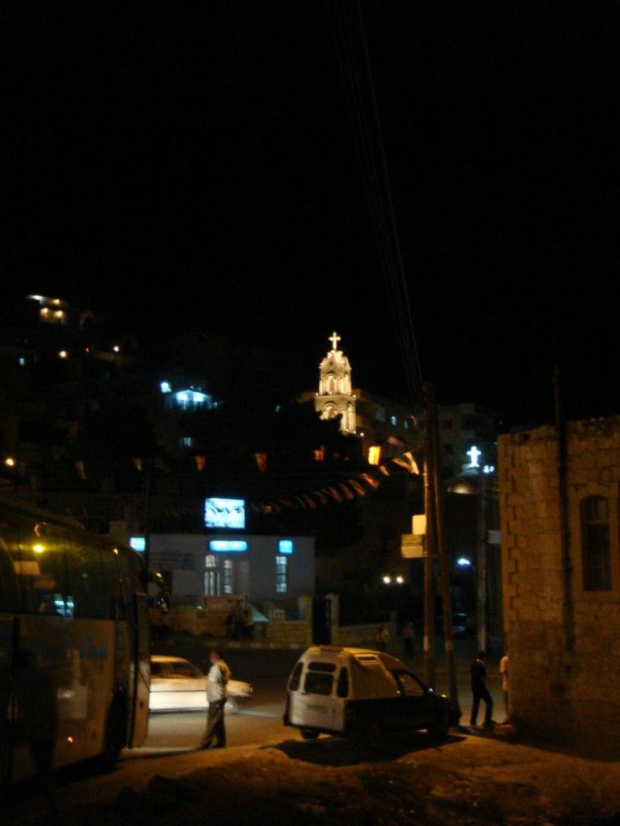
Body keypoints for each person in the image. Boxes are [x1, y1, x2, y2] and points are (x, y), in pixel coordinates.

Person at [12, 649, 59, 815]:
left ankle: (50, 806)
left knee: (42, 768)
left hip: (36, 731)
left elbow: (25, 707)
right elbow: (52, 705)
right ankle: (51, 805)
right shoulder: (44, 677)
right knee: (45, 767)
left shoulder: (22, 679)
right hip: (48, 730)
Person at [198, 648, 231, 749]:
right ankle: (221, 743)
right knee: (218, 722)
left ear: (217, 656)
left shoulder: (217, 667)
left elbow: (212, 679)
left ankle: (204, 744)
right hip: (218, 697)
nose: (210, 657)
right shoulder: (222, 665)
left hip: (216, 698)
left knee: (212, 721)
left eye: (212, 655)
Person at [470, 650, 494, 729]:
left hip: (474, 687)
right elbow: (484, 677)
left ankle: (473, 721)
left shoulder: (473, 664)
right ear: (484, 657)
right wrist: (492, 677)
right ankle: (487, 720)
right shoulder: (481, 665)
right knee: (489, 702)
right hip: (481, 688)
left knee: (476, 704)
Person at [499, 647, 510, 724]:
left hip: (506, 685)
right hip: (507, 684)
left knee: (506, 702)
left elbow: (503, 671)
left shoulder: (504, 659)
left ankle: (508, 716)